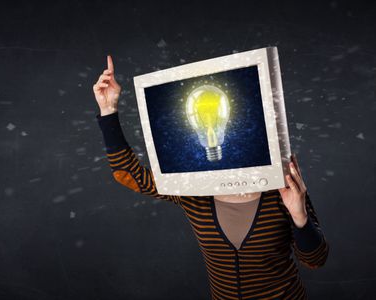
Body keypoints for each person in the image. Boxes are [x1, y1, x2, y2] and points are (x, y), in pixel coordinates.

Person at [93, 55, 329, 300]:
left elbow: (316, 260)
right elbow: (128, 175)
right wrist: (108, 110)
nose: (210, 128)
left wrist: (299, 216)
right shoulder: (192, 190)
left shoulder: (280, 186)